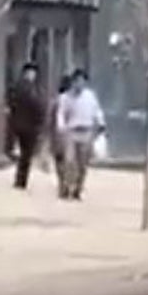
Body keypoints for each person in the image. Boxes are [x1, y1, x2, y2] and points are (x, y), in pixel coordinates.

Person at [56, 69, 105, 200]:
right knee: (69, 162)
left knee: (83, 164)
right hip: (71, 132)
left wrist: (100, 123)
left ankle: (78, 188)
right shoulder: (65, 97)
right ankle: (67, 187)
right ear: (73, 82)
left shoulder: (90, 96)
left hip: (86, 132)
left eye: (82, 81)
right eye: (77, 81)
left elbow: (97, 111)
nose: (79, 84)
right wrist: (61, 128)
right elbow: (61, 114)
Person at [6, 63, 45, 190]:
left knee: (24, 153)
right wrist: (40, 121)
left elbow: (11, 104)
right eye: (32, 73)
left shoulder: (16, 87)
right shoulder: (31, 89)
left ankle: (20, 178)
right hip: (29, 126)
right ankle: (21, 180)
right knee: (26, 154)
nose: (34, 75)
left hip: (19, 124)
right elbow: (37, 106)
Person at [49, 74, 72, 198]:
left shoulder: (55, 102)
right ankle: (67, 185)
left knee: (60, 163)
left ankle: (62, 184)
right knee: (69, 162)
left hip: (57, 137)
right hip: (69, 136)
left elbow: (50, 122)